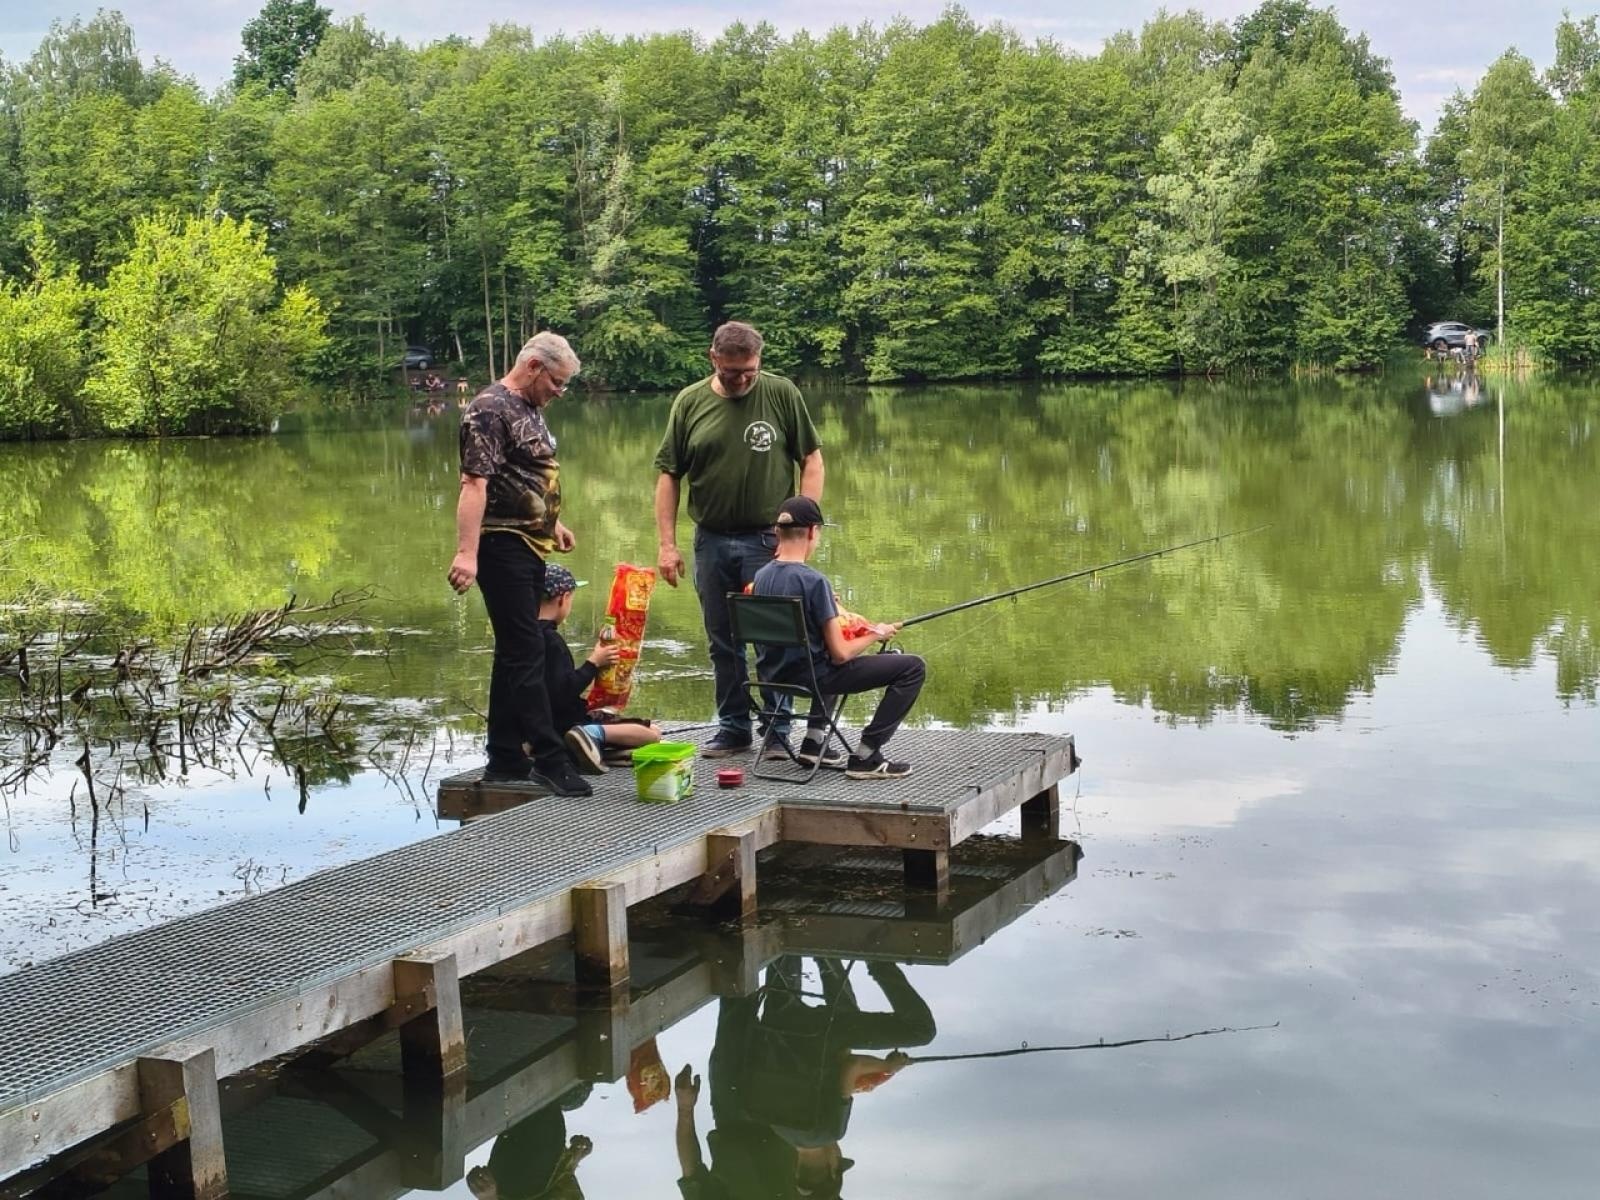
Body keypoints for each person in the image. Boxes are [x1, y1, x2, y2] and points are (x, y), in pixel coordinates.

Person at [654, 322, 824, 758]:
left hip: (769, 539)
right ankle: (733, 727)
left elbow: (811, 459)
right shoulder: (689, 402)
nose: (743, 379)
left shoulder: (781, 393)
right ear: (713, 359)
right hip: (711, 540)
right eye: (733, 372)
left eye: (749, 370)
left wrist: (804, 528)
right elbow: (669, 475)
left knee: (776, 637)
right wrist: (667, 545)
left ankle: (777, 732)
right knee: (723, 639)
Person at [447, 331, 592, 798]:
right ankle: (549, 759)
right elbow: (474, 484)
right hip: (500, 545)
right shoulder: (489, 408)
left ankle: (506, 757)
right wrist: (466, 554)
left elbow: (526, 477)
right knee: (527, 650)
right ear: (533, 366)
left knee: (513, 651)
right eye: (557, 382)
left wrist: (553, 523)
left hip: (530, 542)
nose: (559, 391)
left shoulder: (528, 408)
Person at [674, 956, 933, 1200]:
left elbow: (692, 1172)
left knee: (738, 994)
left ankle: (759, 935)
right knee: (783, 1003)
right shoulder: (810, 1177)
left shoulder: (813, 1174)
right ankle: (790, 938)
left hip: (734, 1102)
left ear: (832, 1169)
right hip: (771, 1095)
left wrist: (685, 1109)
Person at [751, 497, 925, 780]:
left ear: (778, 532)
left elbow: (792, 621)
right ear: (811, 532)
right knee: (912, 667)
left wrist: (824, 605)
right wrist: (874, 632)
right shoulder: (814, 581)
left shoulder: (761, 576)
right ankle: (867, 755)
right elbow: (841, 654)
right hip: (815, 679)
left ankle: (814, 741)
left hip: (773, 676)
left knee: (820, 656)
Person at [536, 562, 663, 774]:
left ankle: (585, 747)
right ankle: (590, 735)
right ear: (563, 599)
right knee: (652, 733)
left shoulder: (524, 635)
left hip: (537, 723)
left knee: (606, 714)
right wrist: (594, 663)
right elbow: (564, 691)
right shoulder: (551, 640)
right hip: (562, 723)